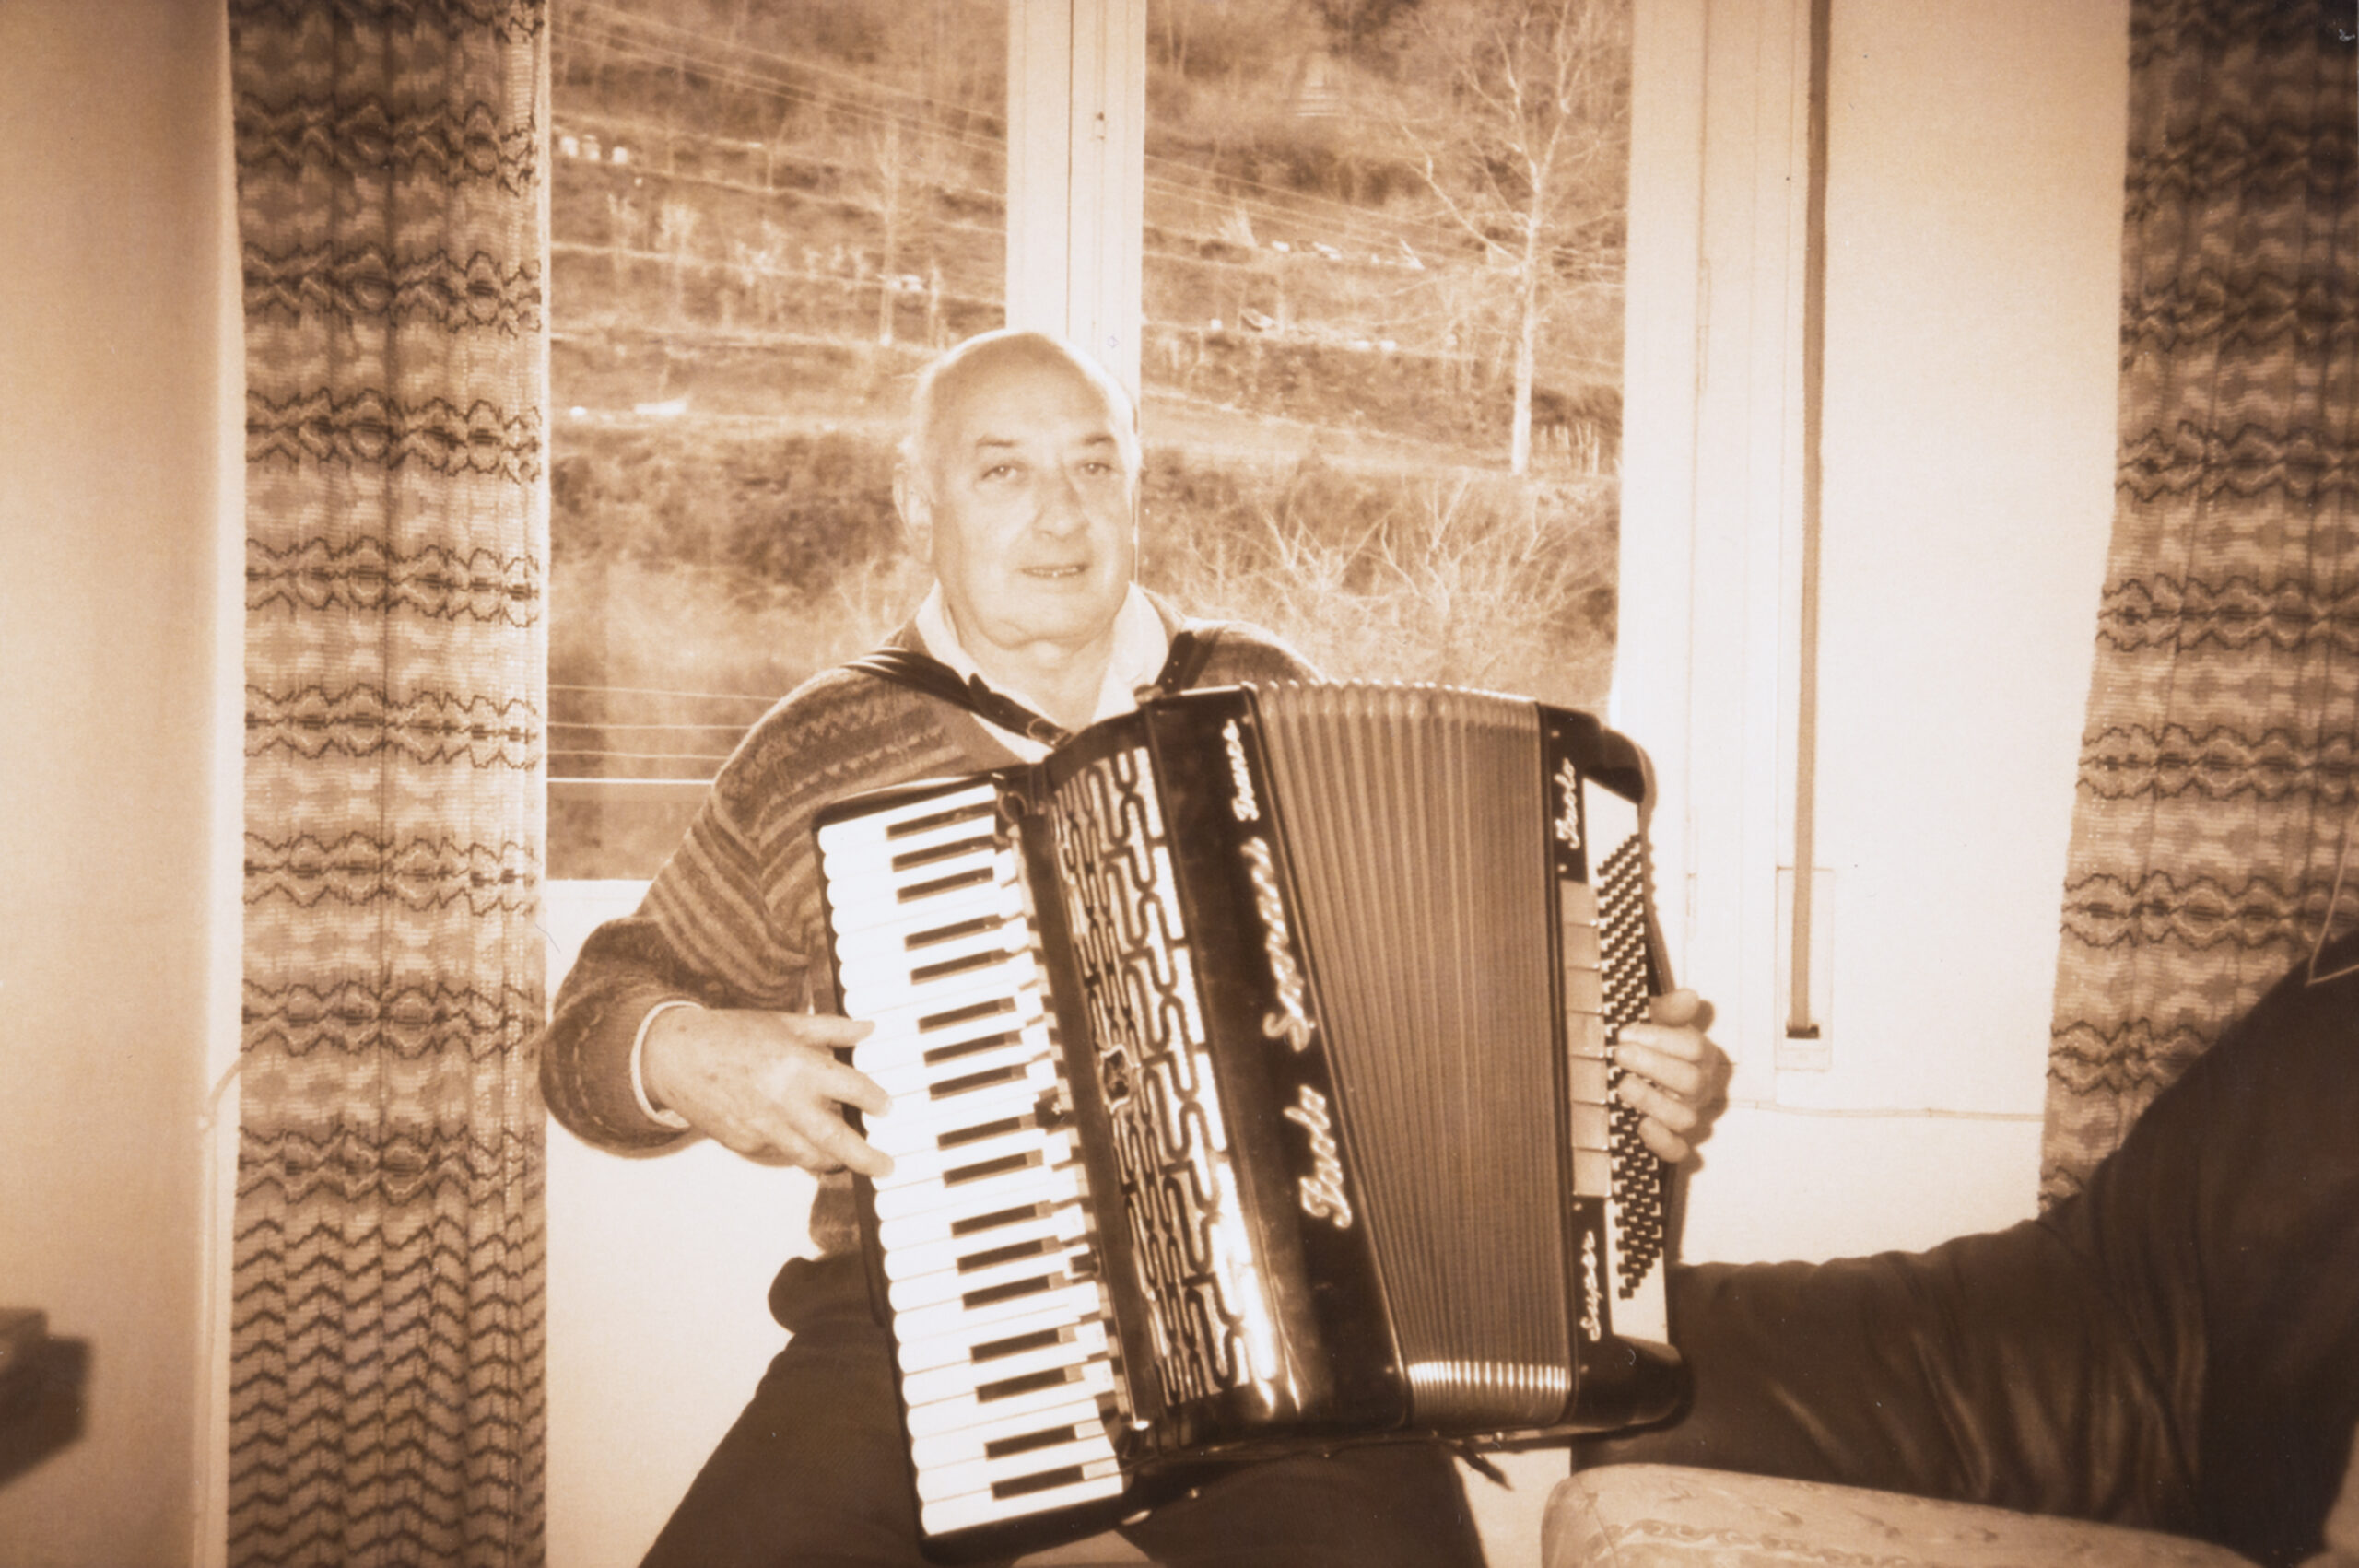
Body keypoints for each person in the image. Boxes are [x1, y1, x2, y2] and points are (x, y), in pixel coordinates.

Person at [537, 328, 1729, 1568]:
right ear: (917, 502)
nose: (1061, 514)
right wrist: (678, 1051)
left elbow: (1440, 1003)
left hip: (1287, 1347)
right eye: (1003, 471)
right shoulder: (822, 746)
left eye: (1094, 468)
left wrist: (1624, 1088)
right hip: (927, 1335)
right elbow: (588, 1028)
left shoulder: (1264, 693)